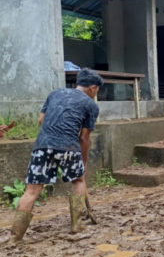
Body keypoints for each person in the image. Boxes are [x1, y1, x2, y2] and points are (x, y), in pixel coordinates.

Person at [10, 68, 102, 242]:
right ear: (92, 88)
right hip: (69, 146)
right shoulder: (91, 106)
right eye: (97, 90)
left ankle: (15, 236)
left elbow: (41, 120)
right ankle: (77, 225)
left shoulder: (54, 94)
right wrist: (83, 161)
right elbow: (84, 137)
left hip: (42, 146)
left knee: (31, 191)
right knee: (78, 181)